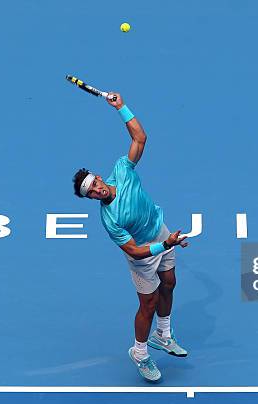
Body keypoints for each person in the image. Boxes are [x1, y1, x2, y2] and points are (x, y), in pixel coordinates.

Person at [72, 92, 189, 382]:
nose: (96, 190)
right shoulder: (109, 219)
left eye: (95, 184)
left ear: (99, 177)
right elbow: (135, 252)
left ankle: (163, 333)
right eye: (91, 193)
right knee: (147, 304)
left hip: (161, 231)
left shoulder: (122, 169)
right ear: (90, 198)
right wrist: (166, 244)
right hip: (145, 252)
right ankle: (139, 352)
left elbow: (140, 139)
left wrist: (121, 106)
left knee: (170, 283)